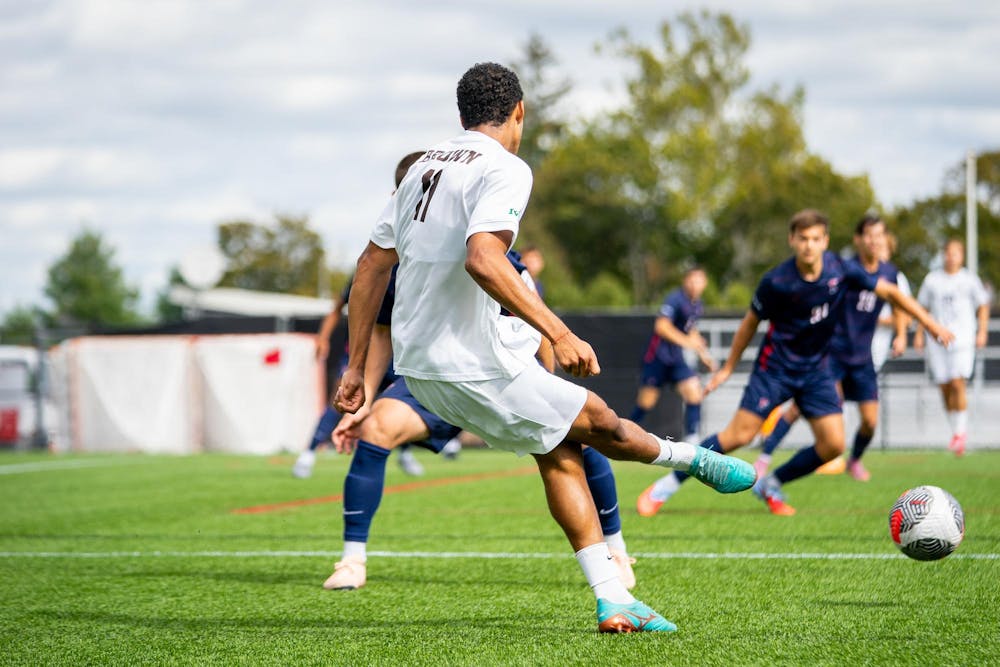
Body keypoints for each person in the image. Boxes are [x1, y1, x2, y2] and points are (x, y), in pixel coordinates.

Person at [336, 62, 756, 633]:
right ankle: (692, 460)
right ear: (519, 113)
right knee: (604, 424)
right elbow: (483, 258)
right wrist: (560, 331)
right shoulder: (505, 167)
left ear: (461, 114)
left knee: (558, 451)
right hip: (475, 364)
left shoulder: (423, 165)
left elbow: (369, 265)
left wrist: (357, 368)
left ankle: (613, 597)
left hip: (422, 370)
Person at [324, 246, 640, 592]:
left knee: (572, 435)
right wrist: (365, 400)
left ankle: (616, 550)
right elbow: (382, 335)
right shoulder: (393, 263)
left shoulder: (483, 242)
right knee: (376, 428)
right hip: (433, 378)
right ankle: (352, 562)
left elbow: (532, 309)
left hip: (498, 371)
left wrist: (549, 386)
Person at [636, 209, 953, 517]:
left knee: (832, 445)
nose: (809, 245)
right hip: (775, 370)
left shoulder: (841, 269)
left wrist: (931, 324)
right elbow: (749, 324)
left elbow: (893, 293)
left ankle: (771, 483)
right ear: (792, 240)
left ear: (825, 241)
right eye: (803, 238)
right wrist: (729, 368)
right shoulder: (777, 281)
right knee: (738, 436)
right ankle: (666, 485)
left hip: (816, 371)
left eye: (815, 238)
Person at [749, 214, 909, 483]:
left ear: (885, 238)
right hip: (830, 353)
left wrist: (902, 333)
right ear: (858, 239)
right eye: (868, 235)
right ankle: (764, 458)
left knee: (870, 422)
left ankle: (854, 461)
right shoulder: (844, 268)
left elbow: (899, 302)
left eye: (878, 235)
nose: (874, 240)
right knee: (799, 409)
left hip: (862, 357)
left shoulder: (890, 273)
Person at [292, 156, 424, 479]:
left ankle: (404, 452)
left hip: (406, 354)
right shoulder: (376, 265)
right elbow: (354, 312)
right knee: (348, 400)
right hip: (370, 353)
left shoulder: (431, 253)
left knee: (400, 403)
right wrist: (331, 343)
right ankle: (309, 453)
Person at [633, 266, 718, 517]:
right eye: (692, 279)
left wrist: (704, 354)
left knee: (694, 392)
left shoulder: (697, 304)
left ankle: (692, 439)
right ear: (685, 281)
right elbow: (662, 327)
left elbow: (689, 330)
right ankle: (616, 438)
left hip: (677, 361)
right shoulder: (675, 298)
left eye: (700, 280)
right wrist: (688, 343)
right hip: (658, 359)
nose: (695, 284)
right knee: (645, 405)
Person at [913, 238, 990, 456]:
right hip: (936, 341)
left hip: (962, 339)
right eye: (948, 252)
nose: (951, 257)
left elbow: (983, 305)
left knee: (958, 383)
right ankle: (956, 431)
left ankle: (960, 433)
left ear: (961, 255)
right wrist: (919, 335)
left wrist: (982, 331)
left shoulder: (969, 279)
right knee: (945, 387)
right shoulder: (932, 280)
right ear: (943, 254)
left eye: (955, 253)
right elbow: (923, 309)